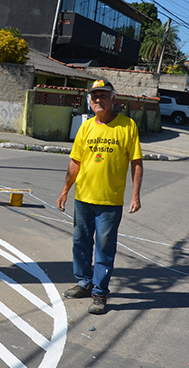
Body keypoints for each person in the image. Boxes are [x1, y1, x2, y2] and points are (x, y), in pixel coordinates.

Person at [56, 79, 143, 315]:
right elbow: (75, 162)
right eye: (94, 96)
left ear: (113, 99)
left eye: (103, 96)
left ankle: (99, 293)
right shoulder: (86, 127)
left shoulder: (127, 126)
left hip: (110, 202)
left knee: (104, 248)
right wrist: (65, 190)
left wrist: (135, 195)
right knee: (80, 243)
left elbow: (136, 163)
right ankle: (84, 283)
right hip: (83, 198)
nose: (98, 100)